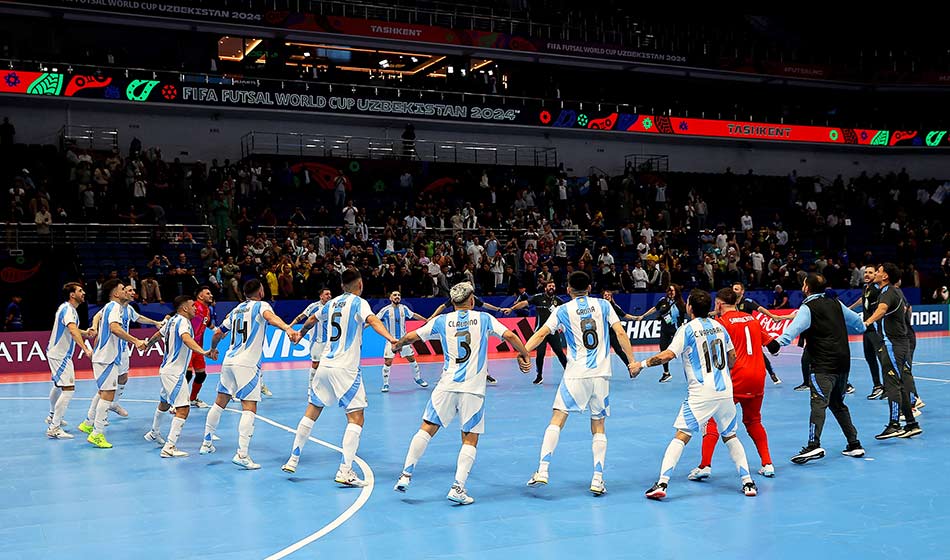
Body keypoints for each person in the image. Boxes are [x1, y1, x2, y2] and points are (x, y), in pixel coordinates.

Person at [391, 282, 531, 504]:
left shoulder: (441, 321)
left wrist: (397, 345)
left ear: (453, 302)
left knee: (426, 428)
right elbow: (511, 336)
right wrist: (525, 354)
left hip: (446, 385)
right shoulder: (484, 319)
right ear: (472, 300)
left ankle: (406, 475)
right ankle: (458, 488)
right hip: (473, 390)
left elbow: (411, 337)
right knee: (469, 438)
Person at [634, 289, 758, 499]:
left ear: (689, 307)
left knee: (681, 435)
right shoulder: (719, 326)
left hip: (701, 394)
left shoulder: (687, 329)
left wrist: (641, 364)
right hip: (725, 391)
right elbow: (732, 356)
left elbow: (668, 355)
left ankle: (662, 484)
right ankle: (748, 483)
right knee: (730, 435)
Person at [279, 269, 397, 486]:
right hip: (346, 368)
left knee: (312, 410)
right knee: (356, 417)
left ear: (342, 285)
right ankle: (345, 470)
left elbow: (312, 319)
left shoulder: (331, 303)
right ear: (359, 284)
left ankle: (293, 459)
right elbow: (373, 320)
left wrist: (300, 335)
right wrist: (391, 338)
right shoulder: (359, 302)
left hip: (325, 364)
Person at [524, 272, 638, 495]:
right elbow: (621, 332)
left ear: (568, 289)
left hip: (576, 374)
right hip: (601, 375)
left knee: (558, 418)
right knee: (598, 424)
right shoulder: (604, 305)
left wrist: (523, 352)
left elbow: (541, 333)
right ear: (589, 286)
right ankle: (597, 479)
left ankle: (543, 470)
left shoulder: (562, 310)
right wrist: (632, 361)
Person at [204, 279, 302, 469]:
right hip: (247, 364)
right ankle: (242, 454)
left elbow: (217, 333)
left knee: (220, 402)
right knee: (249, 407)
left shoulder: (236, 310)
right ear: (260, 291)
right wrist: (288, 328)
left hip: (229, 361)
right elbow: (270, 318)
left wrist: (213, 349)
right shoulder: (261, 306)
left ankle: (207, 442)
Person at [774, 274, 867, 464]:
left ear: (807, 287)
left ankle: (813, 445)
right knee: (837, 404)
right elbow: (859, 324)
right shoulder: (836, 303)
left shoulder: (808, 307)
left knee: (818, 403)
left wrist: (775, 344)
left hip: (823, 364)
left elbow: (792, 331)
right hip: (843, 362)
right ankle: (854, 444)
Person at [689, 289, 777, 481]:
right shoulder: (751, 319)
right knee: (754, 421)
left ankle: (704, 465)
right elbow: (774, 346)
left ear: (720, 304)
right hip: (758, 377)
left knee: (711, 419)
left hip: (737, 378)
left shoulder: (721, 323)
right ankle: (767, 464)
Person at [142, 296, 217, 458]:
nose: (195, 308)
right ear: (184, 308)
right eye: (192, 306)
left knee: (164, 402)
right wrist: (204, 351)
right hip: (174, 373)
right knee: (183, 408)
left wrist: (147, 344)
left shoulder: (171, 321)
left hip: (166, 370)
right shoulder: (183, 322)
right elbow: (186, 338)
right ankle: (169, 447)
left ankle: (154, 432)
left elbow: (158, 334)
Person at [77, 280, 148, 448]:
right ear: (116, 293)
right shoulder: (115, 307)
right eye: (123, 289)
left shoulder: (111, 307)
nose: (127, 291)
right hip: (106, 357)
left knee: (105, 393)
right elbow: (115, 328)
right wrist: (135, 340)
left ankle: (89, 423)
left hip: (107, 357)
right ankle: (97, 433)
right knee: (107, 395)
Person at [862, 264, 923, 439]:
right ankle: (911, 424)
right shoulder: (892, 291)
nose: (876, 274)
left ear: (885, 276)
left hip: (893, 345)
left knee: (892, 385)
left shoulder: (888, 293)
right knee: (898, 383)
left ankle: (894, 424)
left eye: (879, 271)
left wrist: (867, 322)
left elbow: (881, 310)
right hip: (899, 343)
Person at [45, 283, 96, 439]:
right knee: (68, 389)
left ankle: (52, 416)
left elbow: (72, 329)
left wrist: (85, 333)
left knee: (58, 385)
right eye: (80, 291)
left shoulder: (68, 309)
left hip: (58, 354)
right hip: (60, 355)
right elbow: (72, 331)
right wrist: (85, 349)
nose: (84, 292)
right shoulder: (68, 310)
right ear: (72, 295)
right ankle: (54, 427)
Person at [429, 293, 507, 385]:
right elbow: (442, 306)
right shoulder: (456, 297)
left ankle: (485, 374)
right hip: (456, 325)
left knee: (477, 349)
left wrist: (498, 309)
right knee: (453, 353)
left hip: (470, 324)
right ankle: (446, 376)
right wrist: (432, 317)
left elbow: (484, 305)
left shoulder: (473, 298)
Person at [506, 280, 568, 385]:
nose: (551, 287)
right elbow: (524, 303)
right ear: (545, 288)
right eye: (549, 286)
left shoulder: (559, 301)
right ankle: (539, 376)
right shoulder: (538, 297)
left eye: (553, 286)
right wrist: (512, 308)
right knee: (540, 354)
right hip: (540, 333)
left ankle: (568, 373)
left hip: (553, 332)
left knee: (560, 353)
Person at [376, 291, 430, 392]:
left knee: (412, 359)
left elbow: (413, 315)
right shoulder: (385, 310)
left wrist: (426, 320)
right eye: (395, 295)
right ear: (390, 298)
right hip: (391, 341)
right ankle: (385, 384)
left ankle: (418, 378)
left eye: (399, 295)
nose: (397, 297)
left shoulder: (404, 308)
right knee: (388, 362)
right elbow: (375, 320)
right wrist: (363, 327)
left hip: (404, 340)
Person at [731, 283, 783, 386]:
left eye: (736, 289)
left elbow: (760, 309)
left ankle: (771, 373)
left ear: (742, 291)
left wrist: (772, 316)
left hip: (749, 333)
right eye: (733, 289)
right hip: (737, 334)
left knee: (758, 353)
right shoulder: (731, 303)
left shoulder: (747, 302)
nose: (734, 291)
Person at [634, 284, 687, 383]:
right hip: (665, 330)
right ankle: (666, 373)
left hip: (677, 331)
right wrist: (643, 316)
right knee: (663, 349)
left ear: (676, 292)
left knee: (683, 351)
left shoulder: (681, 303)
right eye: (669, 290)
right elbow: (654, 309)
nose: (670, 292)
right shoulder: (663, 300)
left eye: (672, 291)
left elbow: (687, 312)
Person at [849, 266, 884, 399]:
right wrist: (850, 308)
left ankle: (887, 387)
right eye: (865, 273)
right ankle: (878, 386)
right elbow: (863, 299)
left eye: (870, 273)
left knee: (882, 359)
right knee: (870, 358)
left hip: (875, 329)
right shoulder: (866, 287)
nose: (867, 275)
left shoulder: (877, 289)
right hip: (867, 329)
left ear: (876, 274)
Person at [289, 287, 333, 385]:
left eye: (330, 294)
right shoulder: (314, 306)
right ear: (321, 296)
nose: (329, 296)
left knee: (329, 364)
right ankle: (311, 384)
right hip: (316, 340)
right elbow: (301, 316)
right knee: (316, 363)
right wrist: (289, 326)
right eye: (326, 294)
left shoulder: (333, 307)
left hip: (329, 341)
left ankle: (327, 384)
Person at [186, 286, 216, 408]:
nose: (211, 295)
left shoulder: (207, 309)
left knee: (201, 375)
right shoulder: (193, 306)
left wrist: (216, 330)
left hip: (199, 348)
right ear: (200, 296)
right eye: (208, 293)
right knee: (187, 375)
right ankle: (177, 402)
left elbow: (206, 322)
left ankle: (192, 399)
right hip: (188, 346)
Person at [601, 290, 638, 366]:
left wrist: (634, 318)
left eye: (609, 295)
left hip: (611, 333)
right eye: (605, 295)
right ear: (602, 297)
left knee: (618, 350)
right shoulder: (599, 307)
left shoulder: (614, 307)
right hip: (602, 333)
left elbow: (624, 315)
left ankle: (630, 366)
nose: (607, 296)